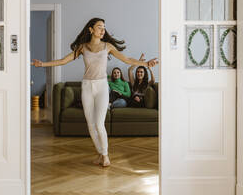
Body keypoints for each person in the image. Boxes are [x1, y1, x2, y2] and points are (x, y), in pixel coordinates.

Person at [31, 18, 157, 167]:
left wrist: (145, 64)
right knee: (90, 124)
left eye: (104, 27)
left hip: (102, 86)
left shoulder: (107, 46)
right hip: (87, 87)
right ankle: (100, 153)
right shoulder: (82, 47)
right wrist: (42, 64)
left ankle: (105, 155)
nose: (103, 30)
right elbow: (63, 61)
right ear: (91, 30)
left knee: (99, 123)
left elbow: (127, 59)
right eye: (99, 27)